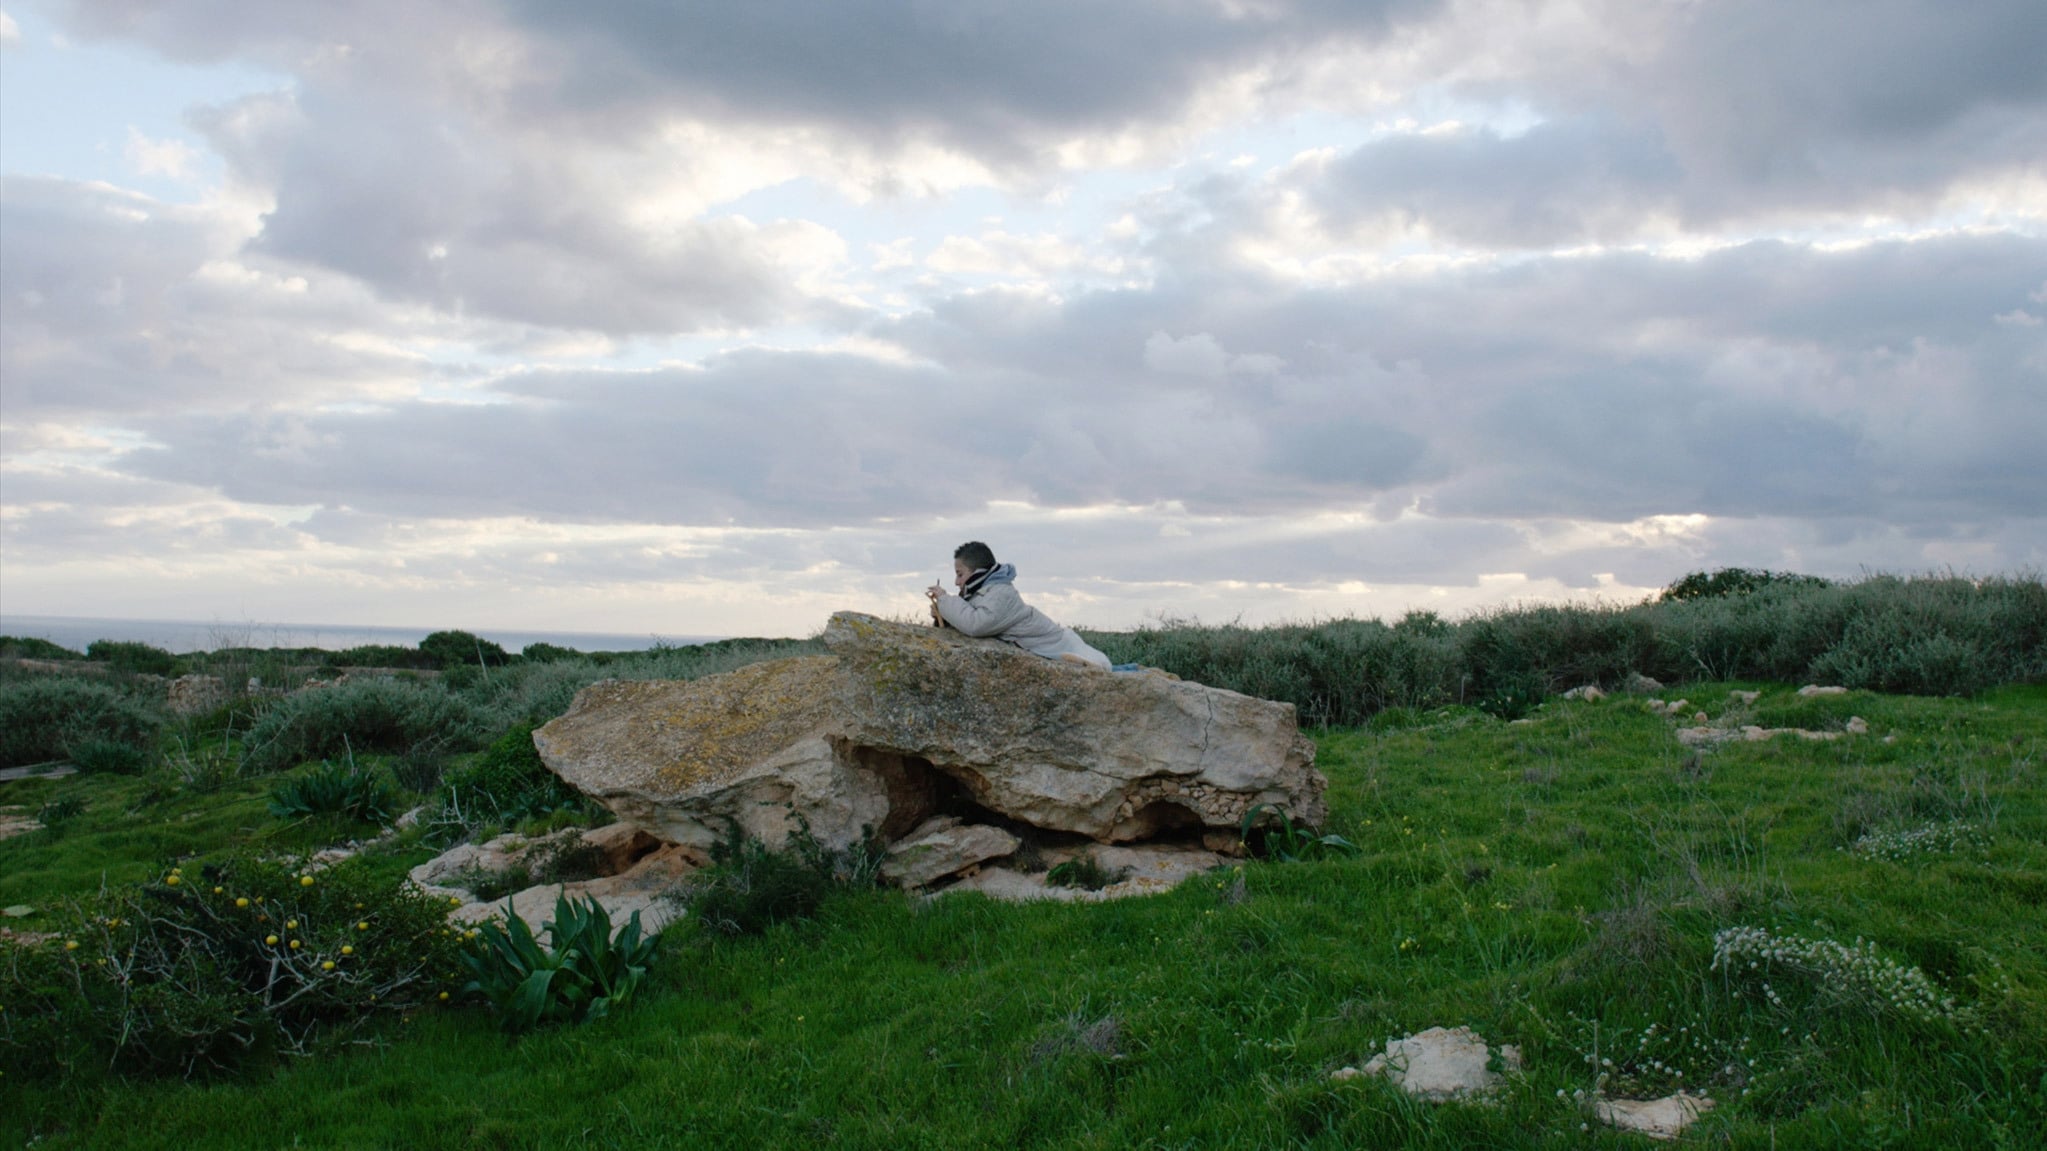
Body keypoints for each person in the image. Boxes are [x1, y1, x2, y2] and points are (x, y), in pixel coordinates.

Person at [926, 541, 1112, 669]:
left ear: (978, 572)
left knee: (1101, 665)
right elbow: (970, 615)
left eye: (960, 574)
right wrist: (944, 616)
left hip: (1058, 642)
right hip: (1046, 644)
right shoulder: (985, 592)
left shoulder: (1001, 593)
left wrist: (944, 600)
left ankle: (1094, 666)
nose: (957, 582)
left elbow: (977, 624)